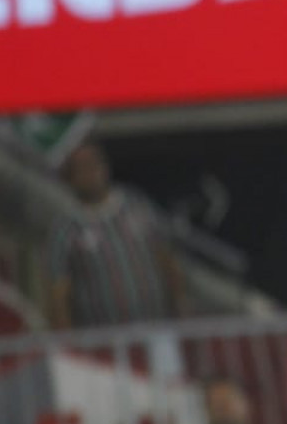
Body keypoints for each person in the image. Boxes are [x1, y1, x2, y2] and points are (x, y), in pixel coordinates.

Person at [47, 140, 187, 330]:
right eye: (83, 167)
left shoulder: (136, 204)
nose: (91, 172)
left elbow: (166, 258)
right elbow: (59, 291)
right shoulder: (66, 228)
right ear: (71, 177)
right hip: (106, 341)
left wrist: (181, 308)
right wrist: (68, 341)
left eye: (95, 163)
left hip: (158, 329)